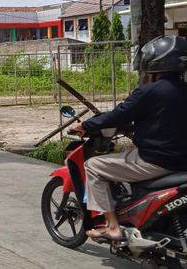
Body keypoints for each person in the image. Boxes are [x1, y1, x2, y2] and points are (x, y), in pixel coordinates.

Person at [73, 35, 187, 242]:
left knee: (93, 166)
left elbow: (118, 114)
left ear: (153, 62)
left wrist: (85, 125)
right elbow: (165, 120)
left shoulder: (149, 92)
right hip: (181, 162)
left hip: (155, 162)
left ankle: (112, 226)